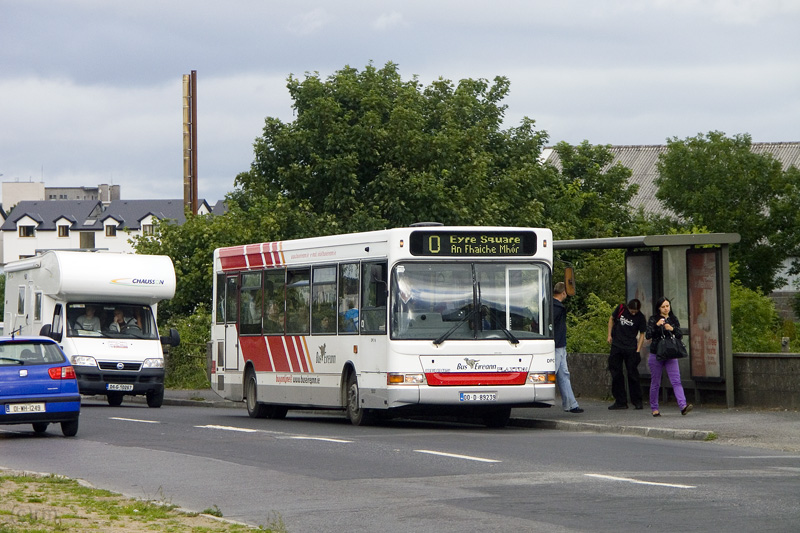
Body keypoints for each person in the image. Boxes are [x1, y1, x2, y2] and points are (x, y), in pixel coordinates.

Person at [645, 297, 693, 417]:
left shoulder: (673, 319)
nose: (666, 308)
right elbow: (648, 335)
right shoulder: (653, 319)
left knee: (676, 380)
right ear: (659, 308)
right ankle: (654, 408)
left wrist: (671, 328)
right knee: (655, 381)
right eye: (663, 307)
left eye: (667, 306)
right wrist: (657, 326)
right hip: (657, 353)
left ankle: (683, 405)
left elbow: (679, 335)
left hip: (671, 354)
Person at [607, 298, 647, 410]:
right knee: (616, 373)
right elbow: (611, 318)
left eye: (635, 311)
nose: (633, 313)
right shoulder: (621, 309)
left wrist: (638, 350)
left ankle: (637, 401)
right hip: (617, 345)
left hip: (631, 347)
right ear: (628, 307)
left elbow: (642, 334)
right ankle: (620, 401)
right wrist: (609, 335)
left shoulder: (640, 317)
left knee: (633, 375)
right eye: (631, 310)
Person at [553, 282, 583, 413]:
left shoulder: (548, 305)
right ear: (563, 292)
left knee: (564, 374)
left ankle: (571, 404)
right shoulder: (558, 308)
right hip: (558, 345)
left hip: (558, 345)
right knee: (555, 372)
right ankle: (570, 404)